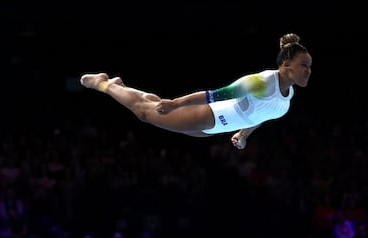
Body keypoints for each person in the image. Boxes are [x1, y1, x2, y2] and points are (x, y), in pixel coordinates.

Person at [80, 33, 312, 149]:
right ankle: (104, 84)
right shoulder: (260, 83)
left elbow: (261, 114)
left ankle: (120, 86)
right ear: (286, 64)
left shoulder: (287, 96)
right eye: (304, 65)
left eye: (310, 67)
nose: (308, 71)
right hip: (207, 114)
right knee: (145, 113)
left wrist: (244, 134)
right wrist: (176, 103)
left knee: (153, 105)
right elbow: (215, 94)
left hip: (214, 128)